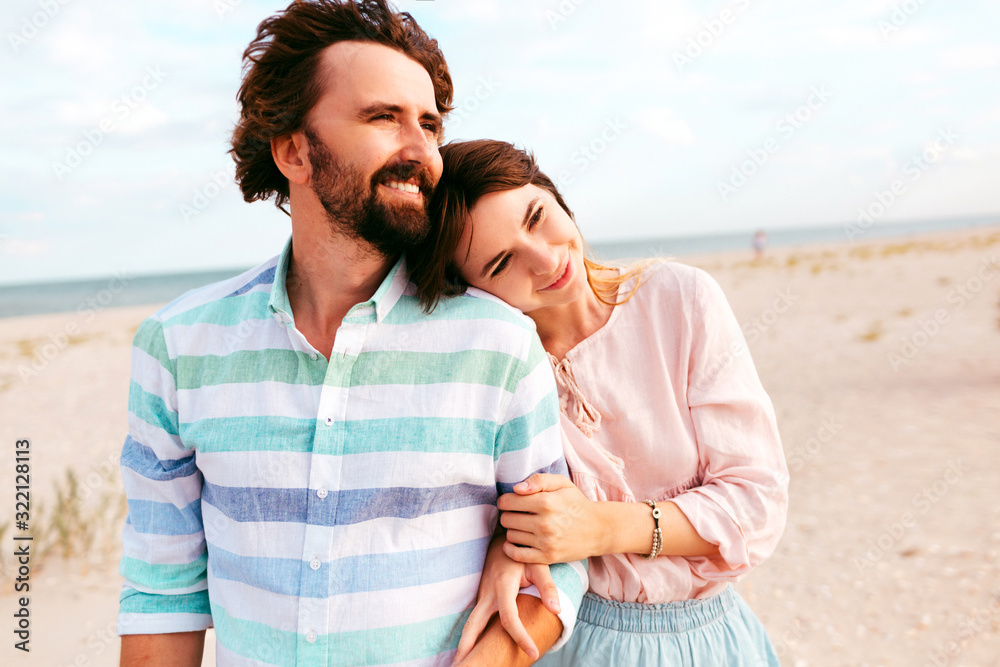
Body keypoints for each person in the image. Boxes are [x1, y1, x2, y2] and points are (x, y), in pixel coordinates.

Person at [116, 4, 587, 666]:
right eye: (382, 117)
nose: (423, 149)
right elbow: (163, 592)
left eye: (429, 124)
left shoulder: (501, 346)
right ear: (293, 150)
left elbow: (557, 565)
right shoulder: (177, 346)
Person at [408, 140, 789, 666]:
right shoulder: (498, 375)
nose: (545, 259)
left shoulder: (681, 298)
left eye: (537, 217)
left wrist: (599, 526)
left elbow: (757, 504)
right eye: (501, 263)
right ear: (472, 292)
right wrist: (509, 545)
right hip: (573, 644)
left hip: (710, 638)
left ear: (555, 195)